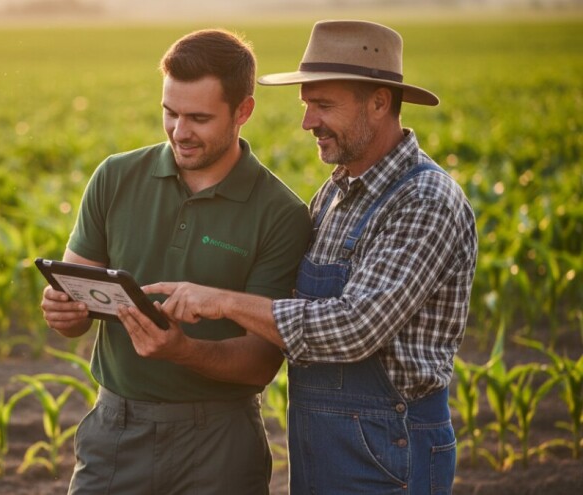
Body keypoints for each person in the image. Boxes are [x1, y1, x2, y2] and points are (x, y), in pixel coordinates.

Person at [127, 20, 478, 493]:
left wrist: (224, 302)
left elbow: (355, 327)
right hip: (322, 442)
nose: (308, 121)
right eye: (307, 104)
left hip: (390, 447)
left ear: (378, 102)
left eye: (324, 105)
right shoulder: (334, 195)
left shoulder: (424, 200)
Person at [40, 29, 311, 494]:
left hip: (220, 443)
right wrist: (63, 313)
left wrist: (184, 351)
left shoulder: (281, 214)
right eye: (170, 112)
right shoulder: (115, 177)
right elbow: (74, 306)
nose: (179, 132)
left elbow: (262, 362)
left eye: (199, 118)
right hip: (116, 430)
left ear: (243, 111)